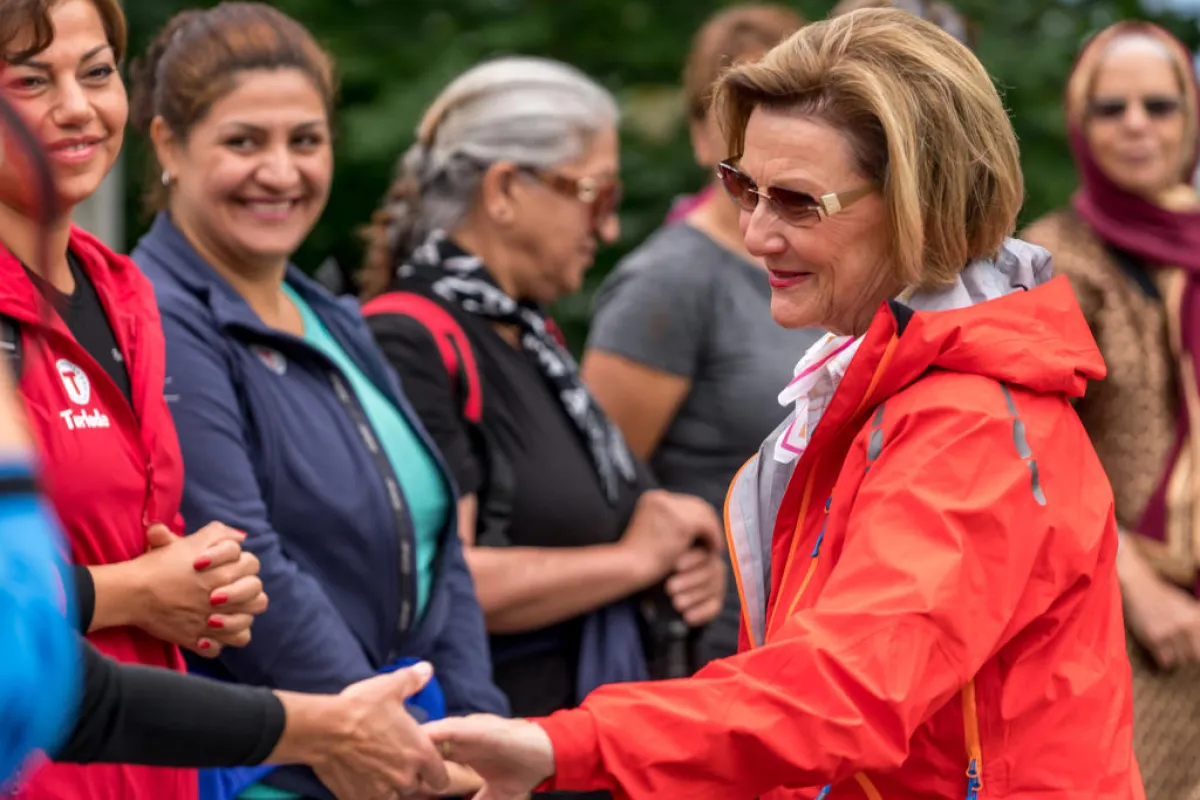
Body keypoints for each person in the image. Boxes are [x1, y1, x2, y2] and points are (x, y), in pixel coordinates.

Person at [422, 9, 1145, 799]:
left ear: (920, 201)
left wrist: (565, 745)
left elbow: (840, 695)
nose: (756, 233)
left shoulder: (967, 424)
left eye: (798, 201)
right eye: (744, 187)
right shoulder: (890, 382)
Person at [127, 4, 507, 798]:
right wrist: (391, 746)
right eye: (244, 142)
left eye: (305, 140)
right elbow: (246, 557)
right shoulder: (161, 317)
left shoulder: (331, 314)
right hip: (284, 763)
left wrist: (482, 733)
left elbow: (441, 551)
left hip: (413, 742)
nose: (280, 172)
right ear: (167, 145)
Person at [359, 55, 726, 754]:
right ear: (504, 189)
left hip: (570, 741)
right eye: (596, 195)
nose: (607, 229)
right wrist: (634, 563)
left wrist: (682, 558)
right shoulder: (409, 341)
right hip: (492, 751)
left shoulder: (527, 334)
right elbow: (441, 582)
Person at [0, 1, 270, 797]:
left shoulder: (124, 291)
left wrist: (211, 585)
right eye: (30, 81)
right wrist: (140, 593)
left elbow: (133, 534)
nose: (77, 108)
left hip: (149, 764)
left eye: (97, 73)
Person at [581, 3, 818, 666]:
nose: (760, 137)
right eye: (736, 115)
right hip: (708, 654)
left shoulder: (836, 268)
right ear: (697, 136)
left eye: (785, 109)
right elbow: (594, 490)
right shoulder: (670, 282)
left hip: (812, 640)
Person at [1020, 21, 1200, 800]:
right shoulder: (1051, 260)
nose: (1136, 124)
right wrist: (1139, 587)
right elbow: (1034, 445)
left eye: (1159, 105)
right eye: (1110, 108)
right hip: (1124, 614)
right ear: (1079, 124)